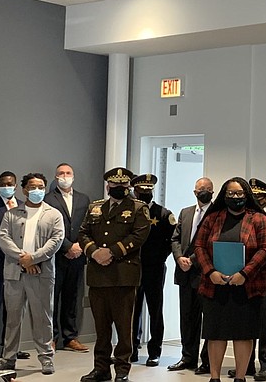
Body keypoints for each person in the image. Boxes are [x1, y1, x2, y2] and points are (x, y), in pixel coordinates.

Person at [194, 177, 266, 382]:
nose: (235, 197)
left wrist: (245, 273)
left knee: (242, 334)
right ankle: (214, 377)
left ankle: (240, 377)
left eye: (239, 194)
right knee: (216, 333)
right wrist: (210, 272)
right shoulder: (213, 217)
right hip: (215, 285)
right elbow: (199, 246)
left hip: (247, 287)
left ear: (246, 195)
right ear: (224, 195)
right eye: (231, 194)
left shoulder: (258, 218)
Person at [78, 167, 150, 382]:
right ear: (108, 185)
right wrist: (94, 251)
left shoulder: (138, 208)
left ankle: (122, 369)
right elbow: (83, 233)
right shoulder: (95, 207)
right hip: (98, 275)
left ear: (129, 186)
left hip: (123, 275)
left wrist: (111, 252)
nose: (119, 188)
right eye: (115, 185)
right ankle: (100, 368)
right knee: (101, 328)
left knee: (123, 327)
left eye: (123, 185)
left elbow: (139, 236)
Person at [0, 173, 64, 375]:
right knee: (13, 318)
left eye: (41, 187)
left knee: (43, 318)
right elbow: (4, 238)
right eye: (33, 187)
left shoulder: (53, 214)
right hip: (15, 273)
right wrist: (23, 258)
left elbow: (56, 241)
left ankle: (46, 358)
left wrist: (33, 259)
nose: (37, 191)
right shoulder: (12, 214)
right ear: (24, 190)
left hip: (41, 274)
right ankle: (8, 358)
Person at [228, 178, 266, 381]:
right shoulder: (246, 217)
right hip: (247, 279)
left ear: (265, 198)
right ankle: (246, 365)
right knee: (247, 323)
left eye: (257, 197)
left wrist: (251, 265)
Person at [129, 174, 176, 367]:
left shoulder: (163, 213)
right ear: (135, 191)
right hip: (132, 268)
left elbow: (172, 241)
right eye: (141, 191)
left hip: (154, 269)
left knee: (155, 310)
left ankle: (154, 352)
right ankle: (131, 349)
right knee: (132, 310)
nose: (145, 194)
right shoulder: (128, 212)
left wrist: (159, 258)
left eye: (148, 191)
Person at [168, 177, 213, 375]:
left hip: (205, 274)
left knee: (208, 319)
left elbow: (212, 242)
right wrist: (179, 257)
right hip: (184, 274)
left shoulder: (217, 214)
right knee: (187, 318)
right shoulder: (185, 213)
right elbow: (175, 238)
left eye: (207, 189)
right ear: (194, 192)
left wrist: (192, 260)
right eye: (200, 189)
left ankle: (207, 360)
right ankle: (188, 357)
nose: (203, 192)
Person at [44, 163, 91, 353]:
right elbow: (47, 228)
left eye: (68, 173)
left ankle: (70, 337)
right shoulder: (48, 199)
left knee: (73, 297)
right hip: (56, 255)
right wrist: (67, 247)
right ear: (56, 177)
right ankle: (52, 338)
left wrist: (78, 246)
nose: (65, 176)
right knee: (52, 298)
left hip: (79, 255)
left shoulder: (84, 199)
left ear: (74, 176)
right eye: (61, 173)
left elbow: (87, 225)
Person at [0, 172, 26, 361]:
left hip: (19, 268)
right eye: (4, 184)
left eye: (10, 184)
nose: (7, 186)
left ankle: (11, 349)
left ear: (15, 186)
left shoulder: (23, 206)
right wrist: (14, 252)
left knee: (13, 310)